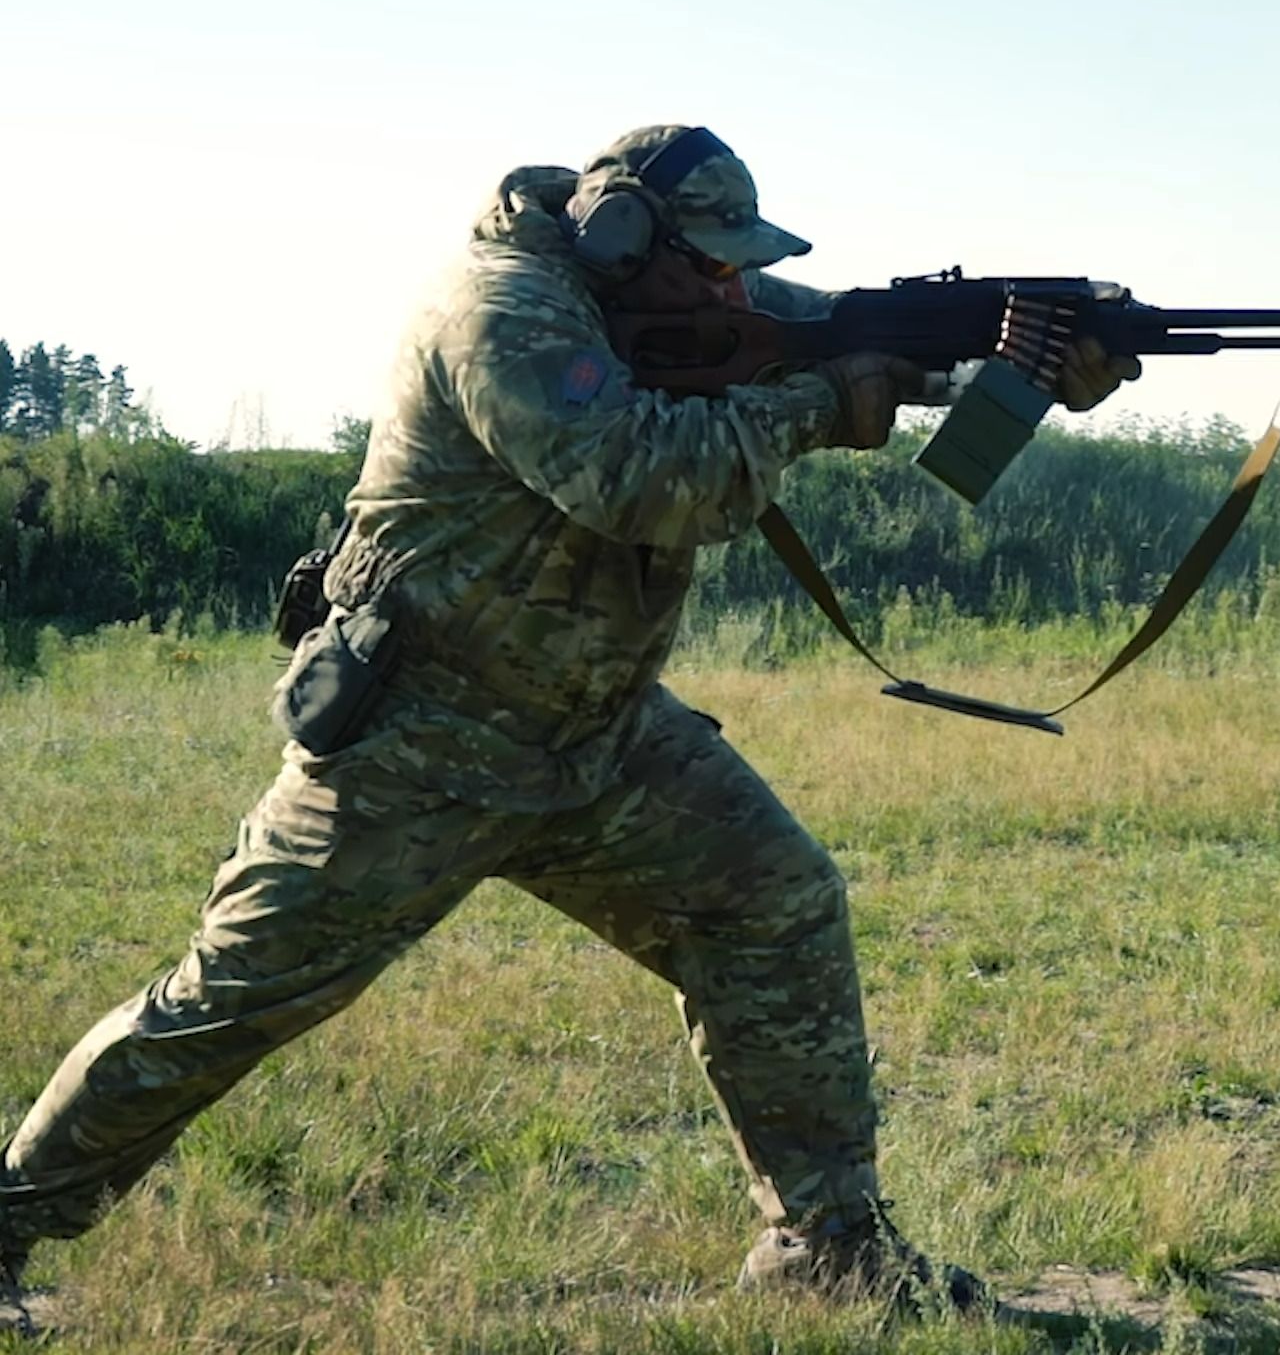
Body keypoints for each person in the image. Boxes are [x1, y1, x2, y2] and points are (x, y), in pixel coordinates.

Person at [0, 124, 1138, 1335]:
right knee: (226, 1003)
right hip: (422, 741)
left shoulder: (677, 288)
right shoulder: (503, 312)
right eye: (711, 263)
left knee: (774, 903)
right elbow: (648, 480)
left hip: (595, 736)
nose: (734, 290)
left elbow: (855, 340)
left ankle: (830, 1249)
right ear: (621, 234)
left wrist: (1018, 363)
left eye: (738, 266)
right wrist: (820, 406)